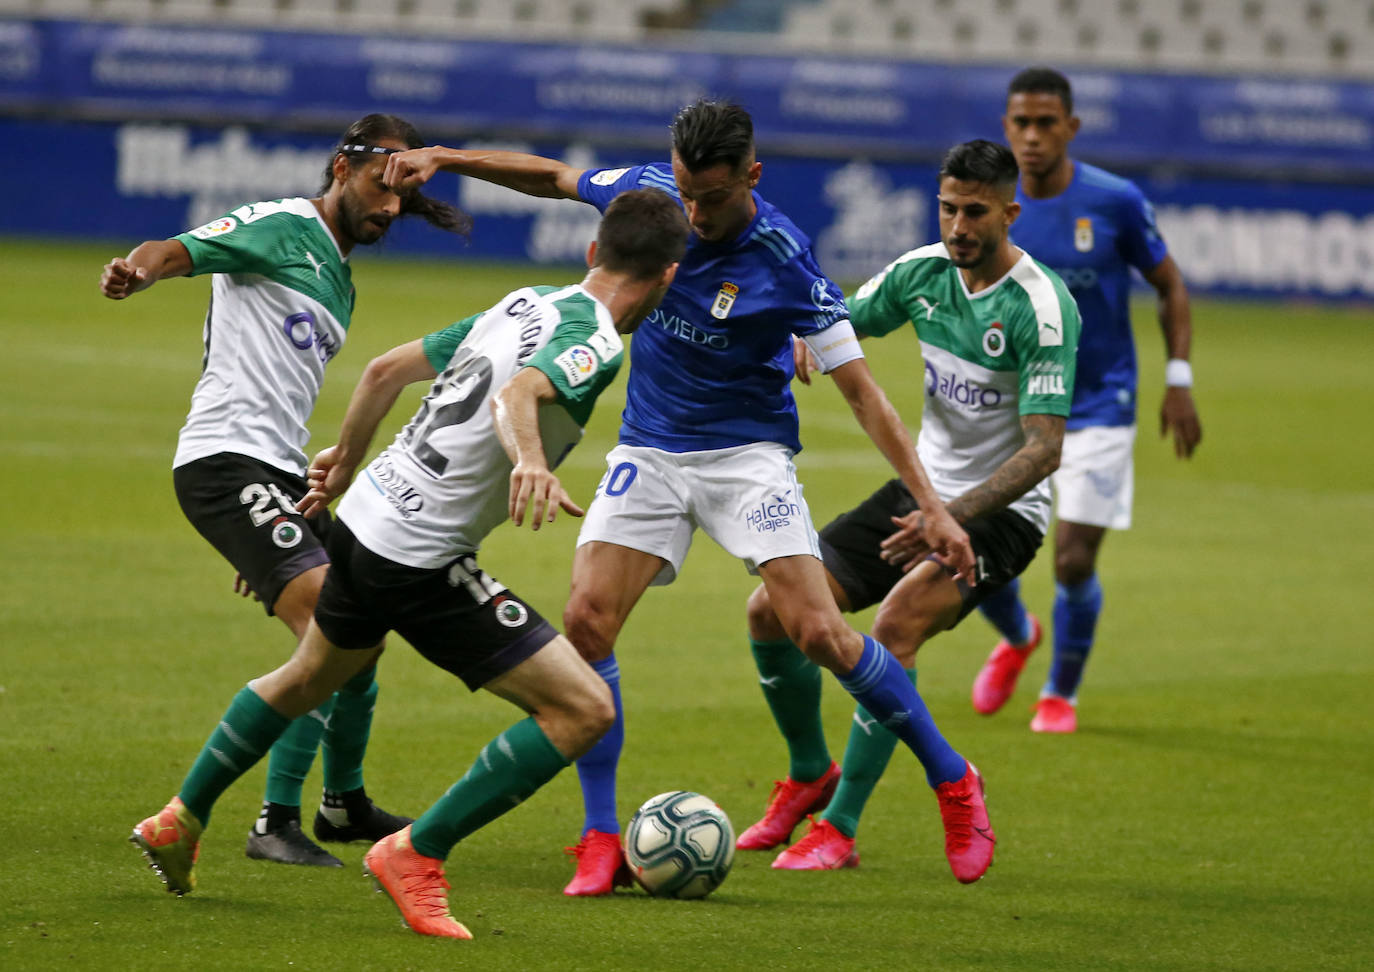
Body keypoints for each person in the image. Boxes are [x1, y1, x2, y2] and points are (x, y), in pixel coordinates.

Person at [382, 98, 987, 893]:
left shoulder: (787, 260)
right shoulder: (649, 198)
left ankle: (952, 780)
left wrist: (934, 505)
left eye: (711, 197)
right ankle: (600, 838)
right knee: (587, 621)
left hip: (747, 455)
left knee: (817, 631)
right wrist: (448, 158)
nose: (693, 215)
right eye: (684, 192)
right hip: (652, 449)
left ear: (752, 176)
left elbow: (866, 396)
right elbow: (556, 176)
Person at [129, 189, 689, 938]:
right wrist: (530, 460)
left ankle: (179, 817)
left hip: (362, 521)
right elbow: (523, 390)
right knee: (582, 710)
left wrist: (341, 468)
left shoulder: (523, 301)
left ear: (592, 253)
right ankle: (415, 855)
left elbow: (385, 371)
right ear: (669, 277)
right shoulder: (597, 340)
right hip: (415, 555)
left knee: (305, 677)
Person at [101, 114, 470, 867]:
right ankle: (272, 821)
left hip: (274, 475)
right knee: (332, 636)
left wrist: (284, 520)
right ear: (343, 166)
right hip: (223, 463)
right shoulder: (280, 225)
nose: (390, 208)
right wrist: (137, 272)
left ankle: (343, 803)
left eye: (401, 197)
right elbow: (179, 249)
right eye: (381, 186)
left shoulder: (340, 277)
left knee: (368, 617)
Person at [738, 140, 1080, 873]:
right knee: (772, 609)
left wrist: (949, 518)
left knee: (895, 625)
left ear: (1009, 213)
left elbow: (1045, 449)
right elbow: (843, 319)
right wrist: (801, 336)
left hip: (1005, 511)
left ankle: (842, 827)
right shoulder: (922, 273)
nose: (959, 226)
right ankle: (808, 773)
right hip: (923, 488)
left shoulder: (1042, 308)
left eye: (976, 212)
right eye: (949, 208)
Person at [971, 67, 1203, 733]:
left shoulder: (1115, 201)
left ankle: (1059, 695)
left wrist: (1179, 378)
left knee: (1072, 557)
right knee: (970, 545)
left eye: (1048, 123)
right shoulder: (992, 205)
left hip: (1100, 400)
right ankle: (1018, 635)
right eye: (1022, 122)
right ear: (1006, 126)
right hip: (1010, 406)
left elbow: (1169, 283)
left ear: (1071, 127)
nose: (1034, 135)